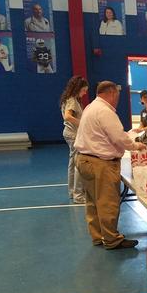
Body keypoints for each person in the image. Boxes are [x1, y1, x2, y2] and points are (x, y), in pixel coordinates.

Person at [74, 81, 147, 249]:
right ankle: (112, 239)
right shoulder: (105, 111)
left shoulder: (90, 107)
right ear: (112, 93)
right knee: (107, 202)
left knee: (93, 201)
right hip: (100, 163)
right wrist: (136, 146)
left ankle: (98, 236)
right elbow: (118, 137)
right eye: (117, 96)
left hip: (84, 159)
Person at [60, 76, 89, 204]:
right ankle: (78, 195)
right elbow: (68, 117)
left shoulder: (69, 99)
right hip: (73, 134)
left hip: (69, 133)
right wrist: (82, 123)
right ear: (78, 88)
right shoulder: (72, 101)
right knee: (78, 164)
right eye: (83, 90)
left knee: (72, 163)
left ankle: (72, 191)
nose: (85, 93)